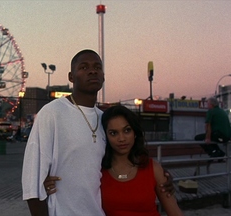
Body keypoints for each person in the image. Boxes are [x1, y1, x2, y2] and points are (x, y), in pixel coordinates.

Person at [22, 49, 174, 216]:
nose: (92, 71)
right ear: (71, 77)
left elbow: (123, 162)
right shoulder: (52, 113)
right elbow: (33, 181)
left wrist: (162, 177)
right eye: (84, 67)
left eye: (97, 67)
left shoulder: (104, 120)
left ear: (103, 76)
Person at [99, 105, 183, 215]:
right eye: (113, 133)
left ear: (135, 133)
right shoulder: (98, 171)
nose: (122, 139)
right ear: (105, 136)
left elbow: (175, 213)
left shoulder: (153, 169)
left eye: (127, 130)